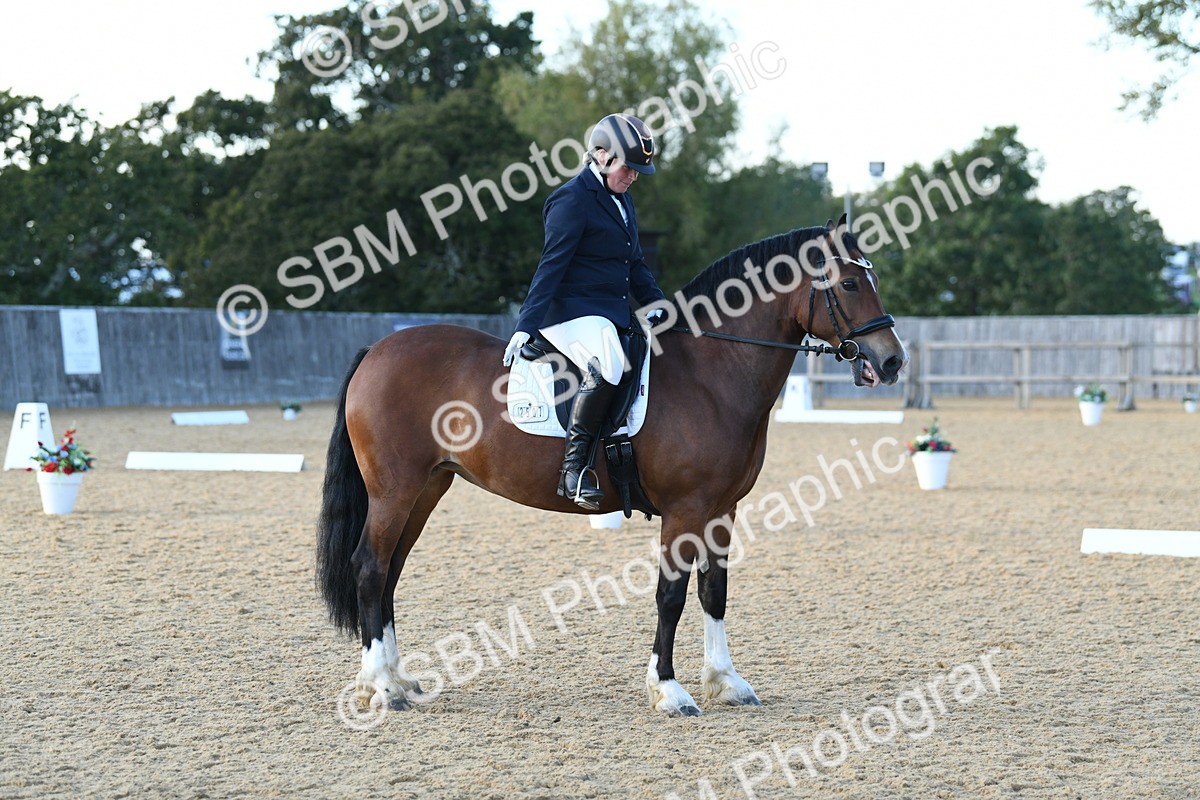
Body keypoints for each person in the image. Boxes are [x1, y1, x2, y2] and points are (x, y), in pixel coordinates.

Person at [502, 113, 667, 510]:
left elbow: (635, 264)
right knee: (608, 362)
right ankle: (573, 471)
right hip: (568, 314)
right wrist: (526, 325)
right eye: (629, 168)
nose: (633, 177)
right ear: (601, 155)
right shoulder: (571, 199)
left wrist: (659, 305)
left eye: (638, 171)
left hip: (608, 314)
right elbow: (551, 266)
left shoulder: (623, 200)